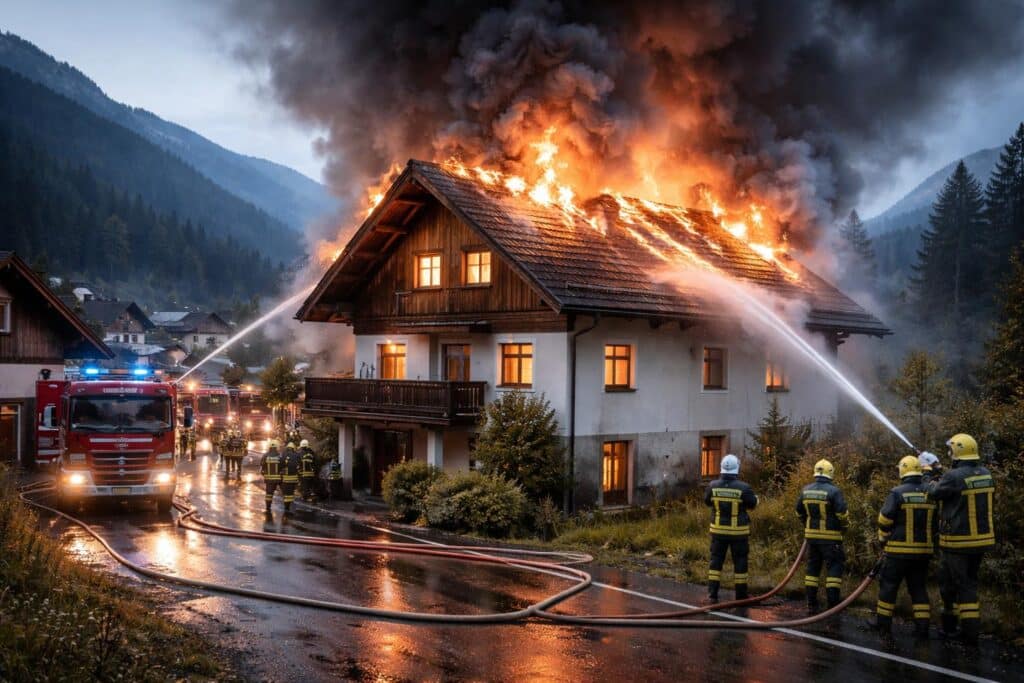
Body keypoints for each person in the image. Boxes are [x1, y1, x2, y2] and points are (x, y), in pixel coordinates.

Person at [928, 433, 995, 645]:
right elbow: (956, 486)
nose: (949, 453)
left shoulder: (954, 477)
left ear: (957, 452)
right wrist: (940, 471)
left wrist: (927, 476)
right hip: (981, 542)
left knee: (956, 586)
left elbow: (935, 493)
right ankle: (956, 628)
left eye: (951, 450)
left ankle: (966, 633)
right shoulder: (985, 473)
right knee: (968, 583)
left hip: (957, 542)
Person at [874, 455, 937, 639]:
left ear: (902, 470)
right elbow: (935, 523)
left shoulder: (897, 492)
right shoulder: (930, 492)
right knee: (918, 589)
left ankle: (883, 626)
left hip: (897, 552)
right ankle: (922, 629)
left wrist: (883, 539)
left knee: (889, 587)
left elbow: (884, 519)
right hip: (923, 553)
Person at [796, 459, 849, 613]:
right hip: (832, 539)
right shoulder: (834, 491)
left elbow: (798, 512)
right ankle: (833, 605)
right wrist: (845, 527)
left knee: (812, 569)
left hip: (812, 538)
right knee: (834, 569)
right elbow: (842, 514)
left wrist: (807, 525)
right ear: (830, 473)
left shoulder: (805, 490)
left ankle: (811, 603)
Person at [704, 454, 758, 602]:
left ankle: (712, 594)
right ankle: (741, 596)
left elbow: (707, 502)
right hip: (738, 534)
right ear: (737, 469)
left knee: (715, 563)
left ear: (722, 468)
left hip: (718, 532)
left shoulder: (712, 486)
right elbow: (753, 504)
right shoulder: (744, 488)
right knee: (740, 563)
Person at [260, 440, 283, 513]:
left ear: (269, 447)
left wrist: (264, 473)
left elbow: (262, 465)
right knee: (284, 492)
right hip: (278, 479)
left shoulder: (265, 455)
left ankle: (268, 508)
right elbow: (283, 466)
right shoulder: (280, 455)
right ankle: (287, 508)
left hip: (269, 479)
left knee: (269, 494)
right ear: (277, 447)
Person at [281, 442, 301, 513]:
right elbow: (300, 465)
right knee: (291, 492)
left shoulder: (284, 454)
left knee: (286, 492)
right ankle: (289, 505)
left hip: (286, 478)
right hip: (294, 478)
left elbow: (281, 464)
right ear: (293, 448)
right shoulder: (297, 455)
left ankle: (286, 507)